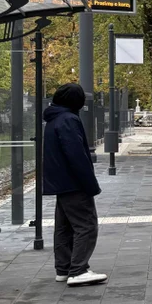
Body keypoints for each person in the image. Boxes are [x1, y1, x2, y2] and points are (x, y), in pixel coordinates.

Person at [43, 83, 107, 286]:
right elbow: (77, 155)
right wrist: (90, 184)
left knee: (64, 227)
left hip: (60, 182)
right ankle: (79, 270)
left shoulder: (53, 120)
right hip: (74, 183)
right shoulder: (69, 120)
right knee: (86, 225)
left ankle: (63, 269)